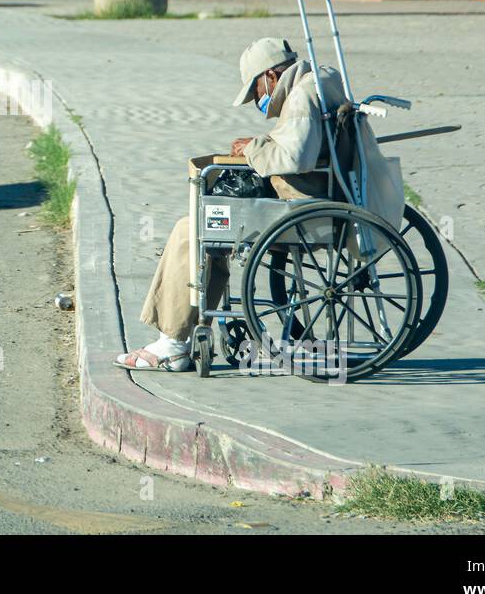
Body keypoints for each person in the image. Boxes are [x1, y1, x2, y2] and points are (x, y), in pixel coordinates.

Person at [114, 36, 402, 372]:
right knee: (207, 225)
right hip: (319, 199)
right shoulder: (323, 82)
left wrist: (253, 148)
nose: (260, 101)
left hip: (301, 209)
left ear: (270, 76)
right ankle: (185, 334)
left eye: (257, 93)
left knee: (192, 229)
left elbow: (295, 156)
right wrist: (259, 143)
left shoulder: (302, 97)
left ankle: (173, 343)